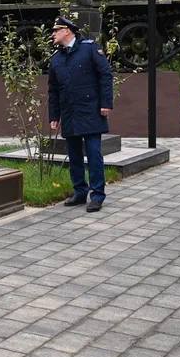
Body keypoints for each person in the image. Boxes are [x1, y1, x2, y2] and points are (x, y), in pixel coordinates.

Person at [48, 16, 113, 212]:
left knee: (94, 154)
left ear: (67, 31)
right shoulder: (56, 59)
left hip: (91, 110)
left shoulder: (89, 48)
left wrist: (106, 103)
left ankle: (97, 195)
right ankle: (80, 191)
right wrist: (54, 116)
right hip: (70, 113)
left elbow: (105, 75)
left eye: (56, 31)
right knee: (74, 155)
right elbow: (53, 90)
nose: (53, 34)